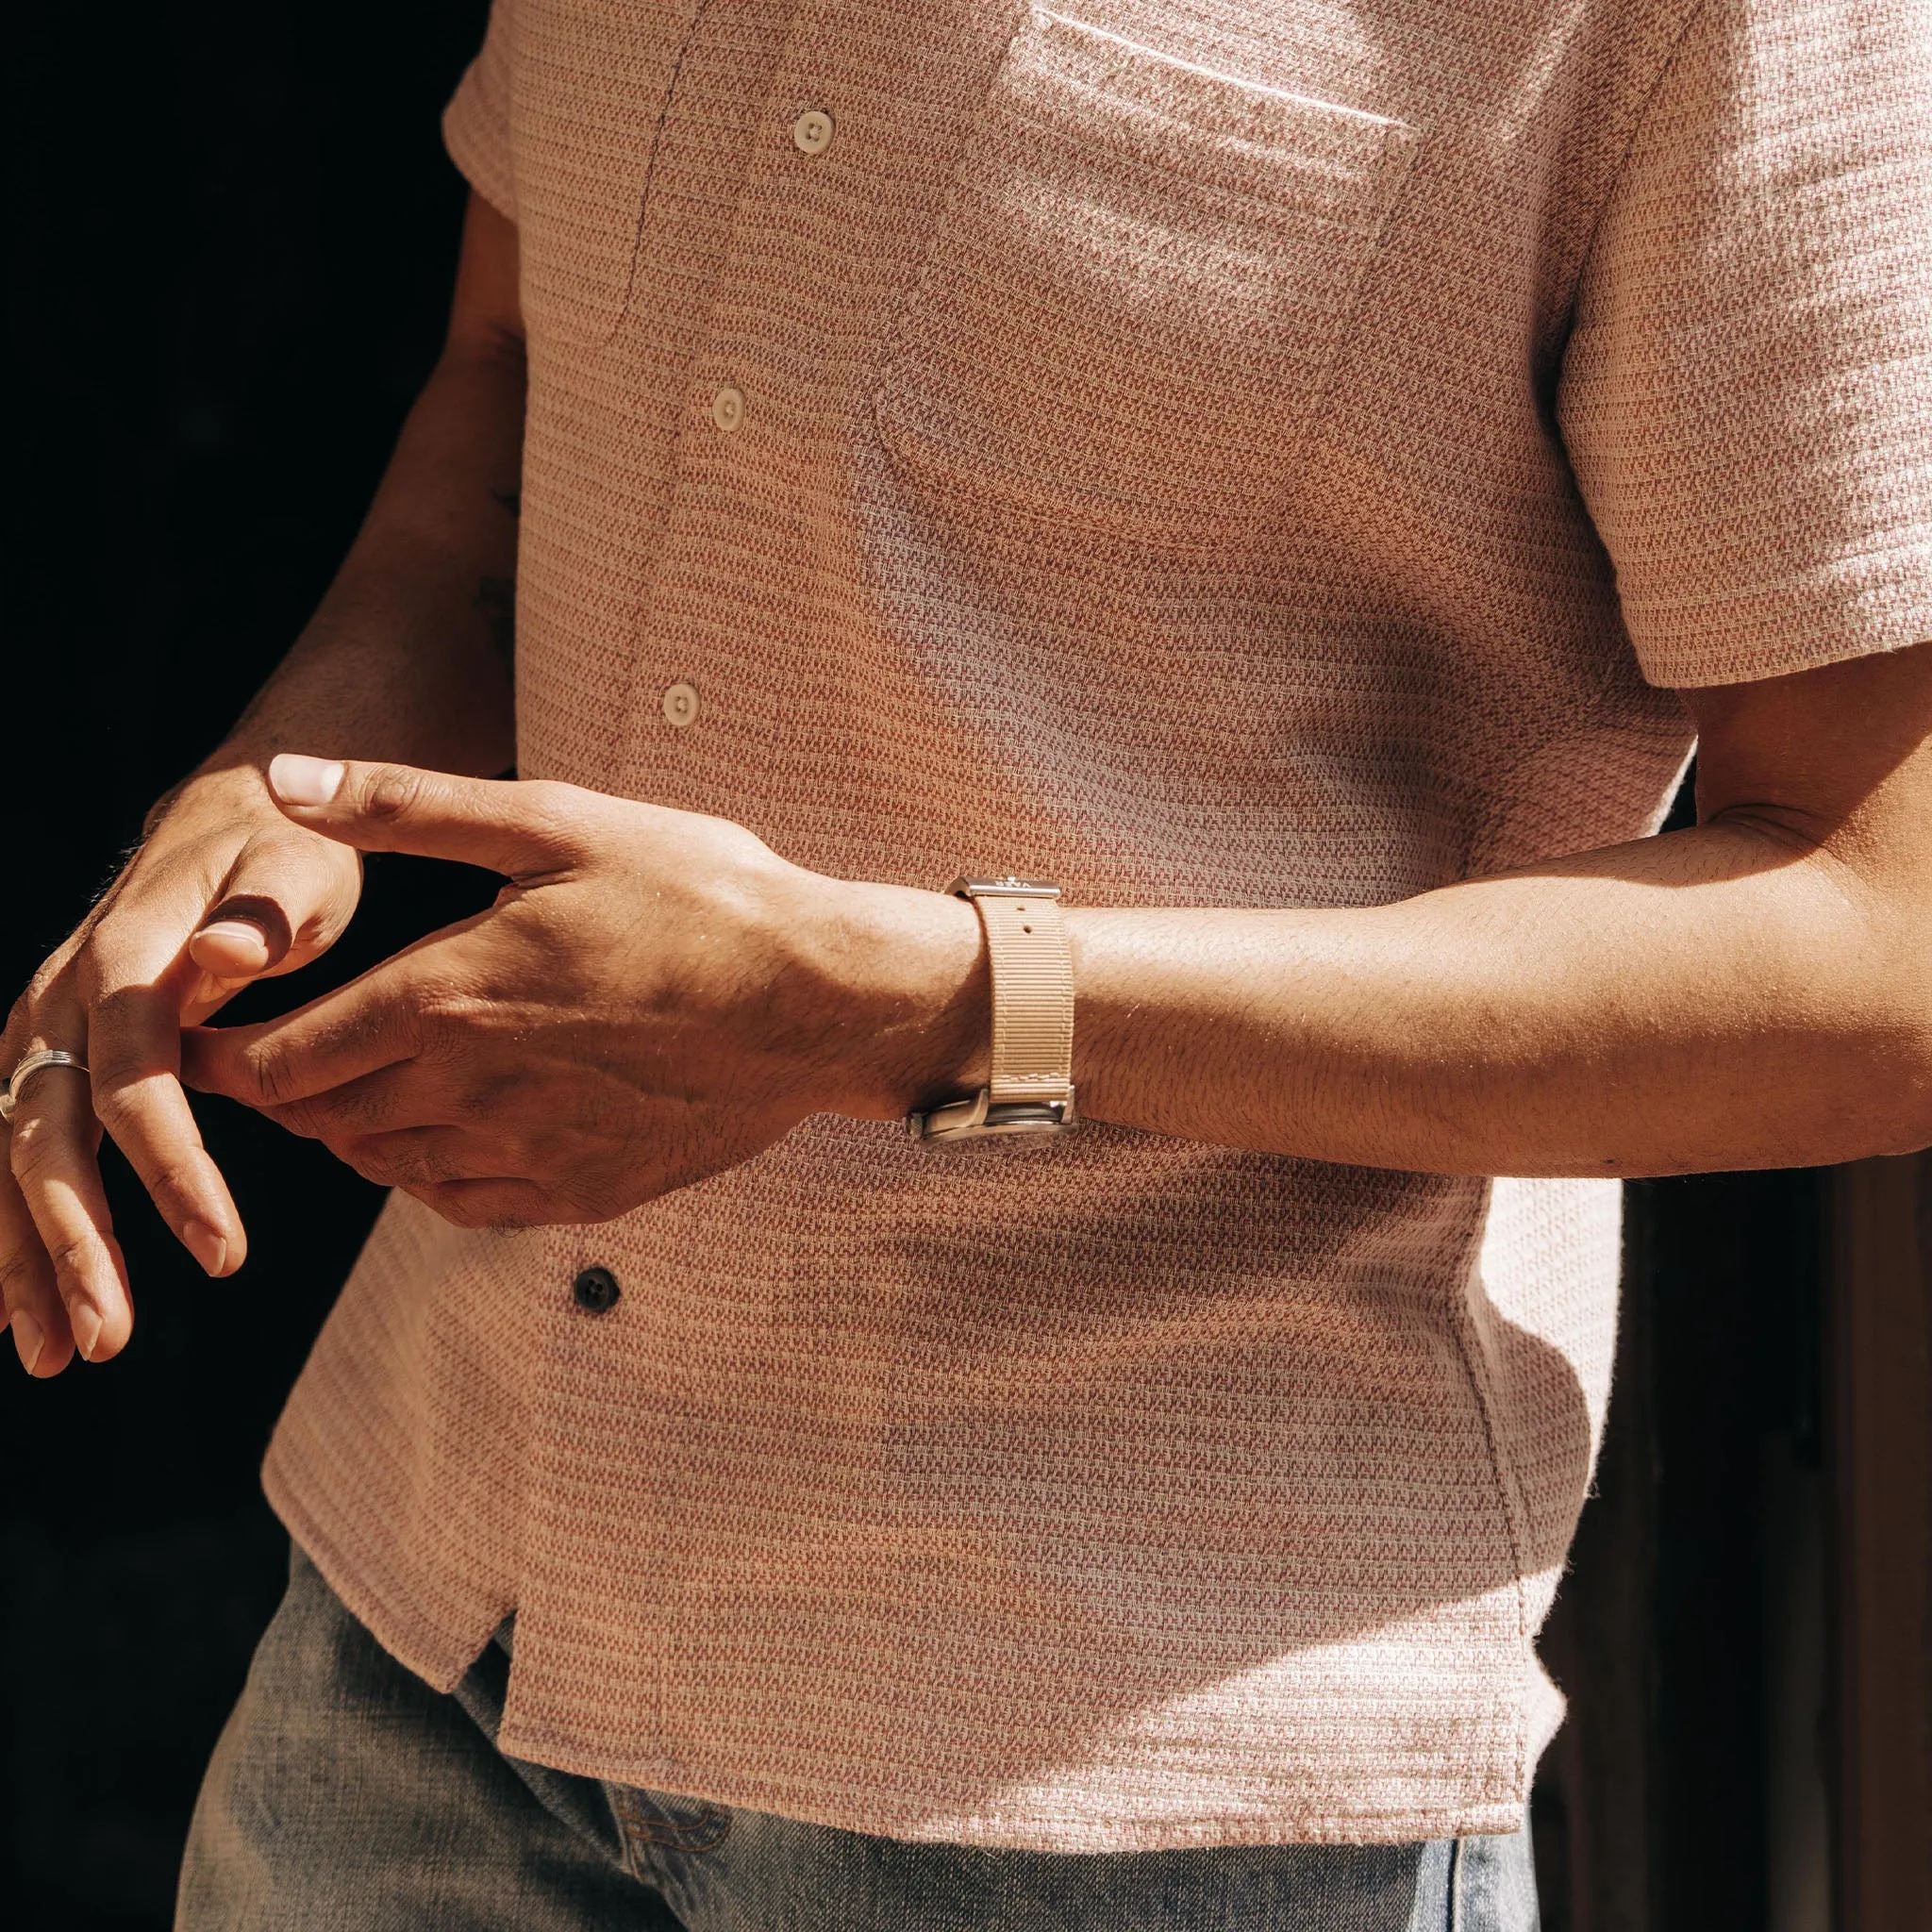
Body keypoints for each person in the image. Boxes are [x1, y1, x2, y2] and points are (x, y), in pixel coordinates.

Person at [7, 0, 1931, 1924]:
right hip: (419, 1637)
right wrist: (281, 787)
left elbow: (1884, 945)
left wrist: (911, 1006)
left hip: (1126, 1772)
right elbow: (511, 390)